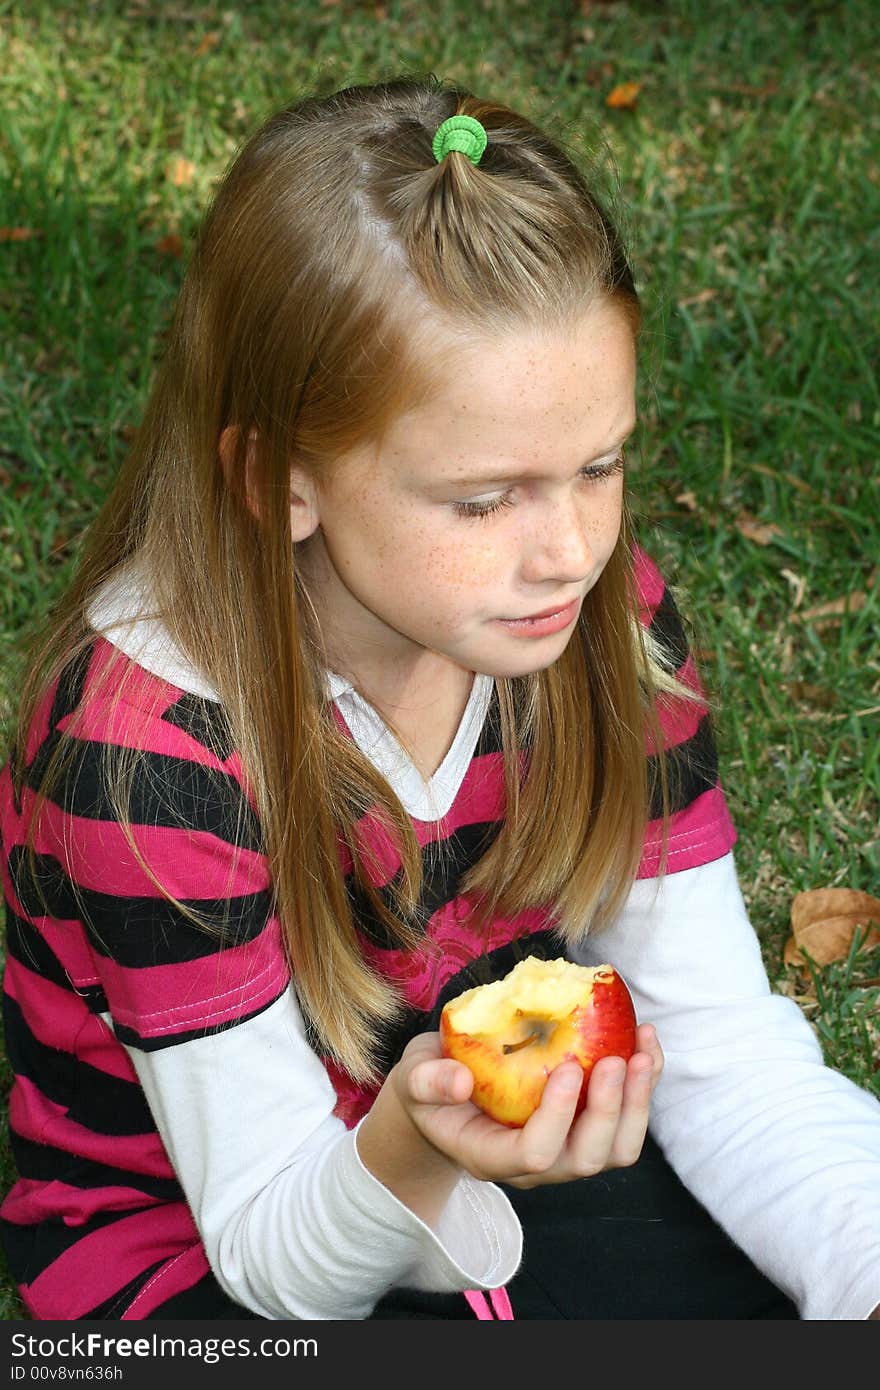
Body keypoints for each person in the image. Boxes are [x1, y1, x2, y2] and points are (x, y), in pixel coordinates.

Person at [0, 76, 878, 1324]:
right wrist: (418, 1147)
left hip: (494, 1176)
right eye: (483, 500)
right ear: (277, 479)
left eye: (600, 464)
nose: (568, 549)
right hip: (202, 1272)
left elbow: (725, 1051)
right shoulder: (148, 755)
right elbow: (270, 1252)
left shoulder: (599, 635)